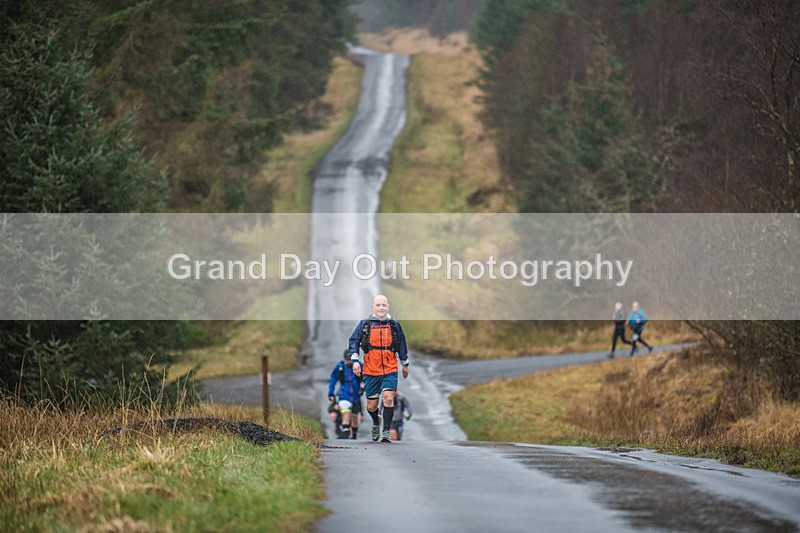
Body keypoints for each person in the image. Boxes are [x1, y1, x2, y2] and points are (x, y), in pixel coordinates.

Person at [349, 294, 410, 443]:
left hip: (390, 367)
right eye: (378, 305)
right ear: (373, 307)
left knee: (389, 398)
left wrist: (404, 363)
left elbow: (402, 343)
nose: (381, 308)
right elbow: (354, 341)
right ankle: (376, 422)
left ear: (388, 307)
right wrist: (355, 361)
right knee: (372, 406)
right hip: (371, 369)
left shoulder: (394, 325)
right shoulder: (365, 324)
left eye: (384, 305)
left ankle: (386, 432)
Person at [328, 349, 365, 439]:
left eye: (350, 360)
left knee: (354, 418)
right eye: (347, 360)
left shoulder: (359, 365)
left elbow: (365, 378)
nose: (349, 362)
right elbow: (333, 378)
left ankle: (354, 436)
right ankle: (345, 436)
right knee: (346, 415)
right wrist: (331, 392)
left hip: (356, 396)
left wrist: (363, 387)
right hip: (344, 395)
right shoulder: (340, 366)